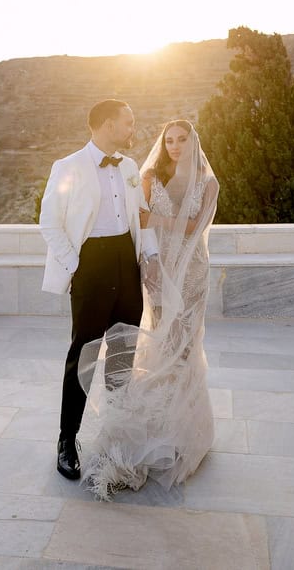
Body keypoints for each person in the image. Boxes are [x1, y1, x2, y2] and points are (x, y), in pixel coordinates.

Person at [77, 119, 219, 499]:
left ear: (193, 141)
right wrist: (152, 261)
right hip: (158, 270)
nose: (174, 145)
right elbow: (141, 228)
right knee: (161, 341)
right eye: (169, 140)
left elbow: (193, 228)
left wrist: (156, 219)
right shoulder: (149, 176)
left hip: (192, 274)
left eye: (181, 139)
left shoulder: (209, 182)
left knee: (186, 345)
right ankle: (161, 426)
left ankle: (184, 430)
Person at [39, 99, 150, 481]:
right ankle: (67, 441)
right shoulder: (67, 167)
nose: (133, 129)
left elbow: (142, 215)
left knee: (124, 352)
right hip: (91, 264)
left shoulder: (131, 167)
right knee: (84, 355)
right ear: (106, 125)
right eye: (128, 122)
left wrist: (146, 260)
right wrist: (76, 265)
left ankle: (116, 435)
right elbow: (49, 222)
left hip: (126, 261)